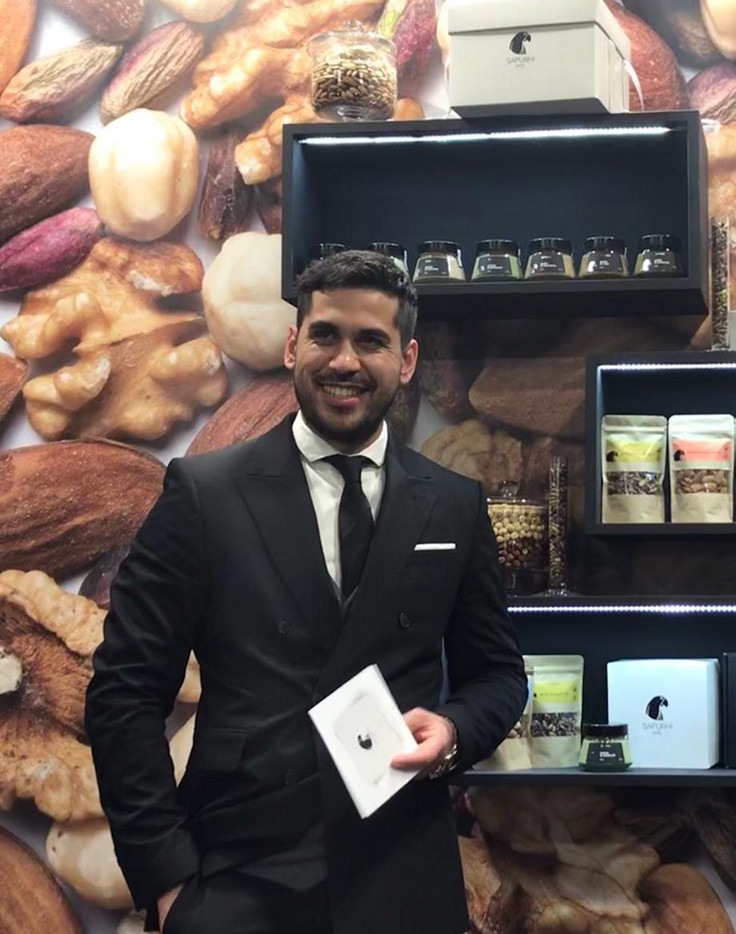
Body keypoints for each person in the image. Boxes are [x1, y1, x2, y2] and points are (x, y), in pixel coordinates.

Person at [85, 250, 528, 934]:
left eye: (371, 340)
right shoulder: (206, 494)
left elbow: (497, 675)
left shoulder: (453, 504)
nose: (345, 360)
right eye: (326, 335)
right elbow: (124, 692)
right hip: (239, 873)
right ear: (293, 345)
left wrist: (451, 732)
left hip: (403, 873)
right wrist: (168, 883)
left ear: (406, 361)